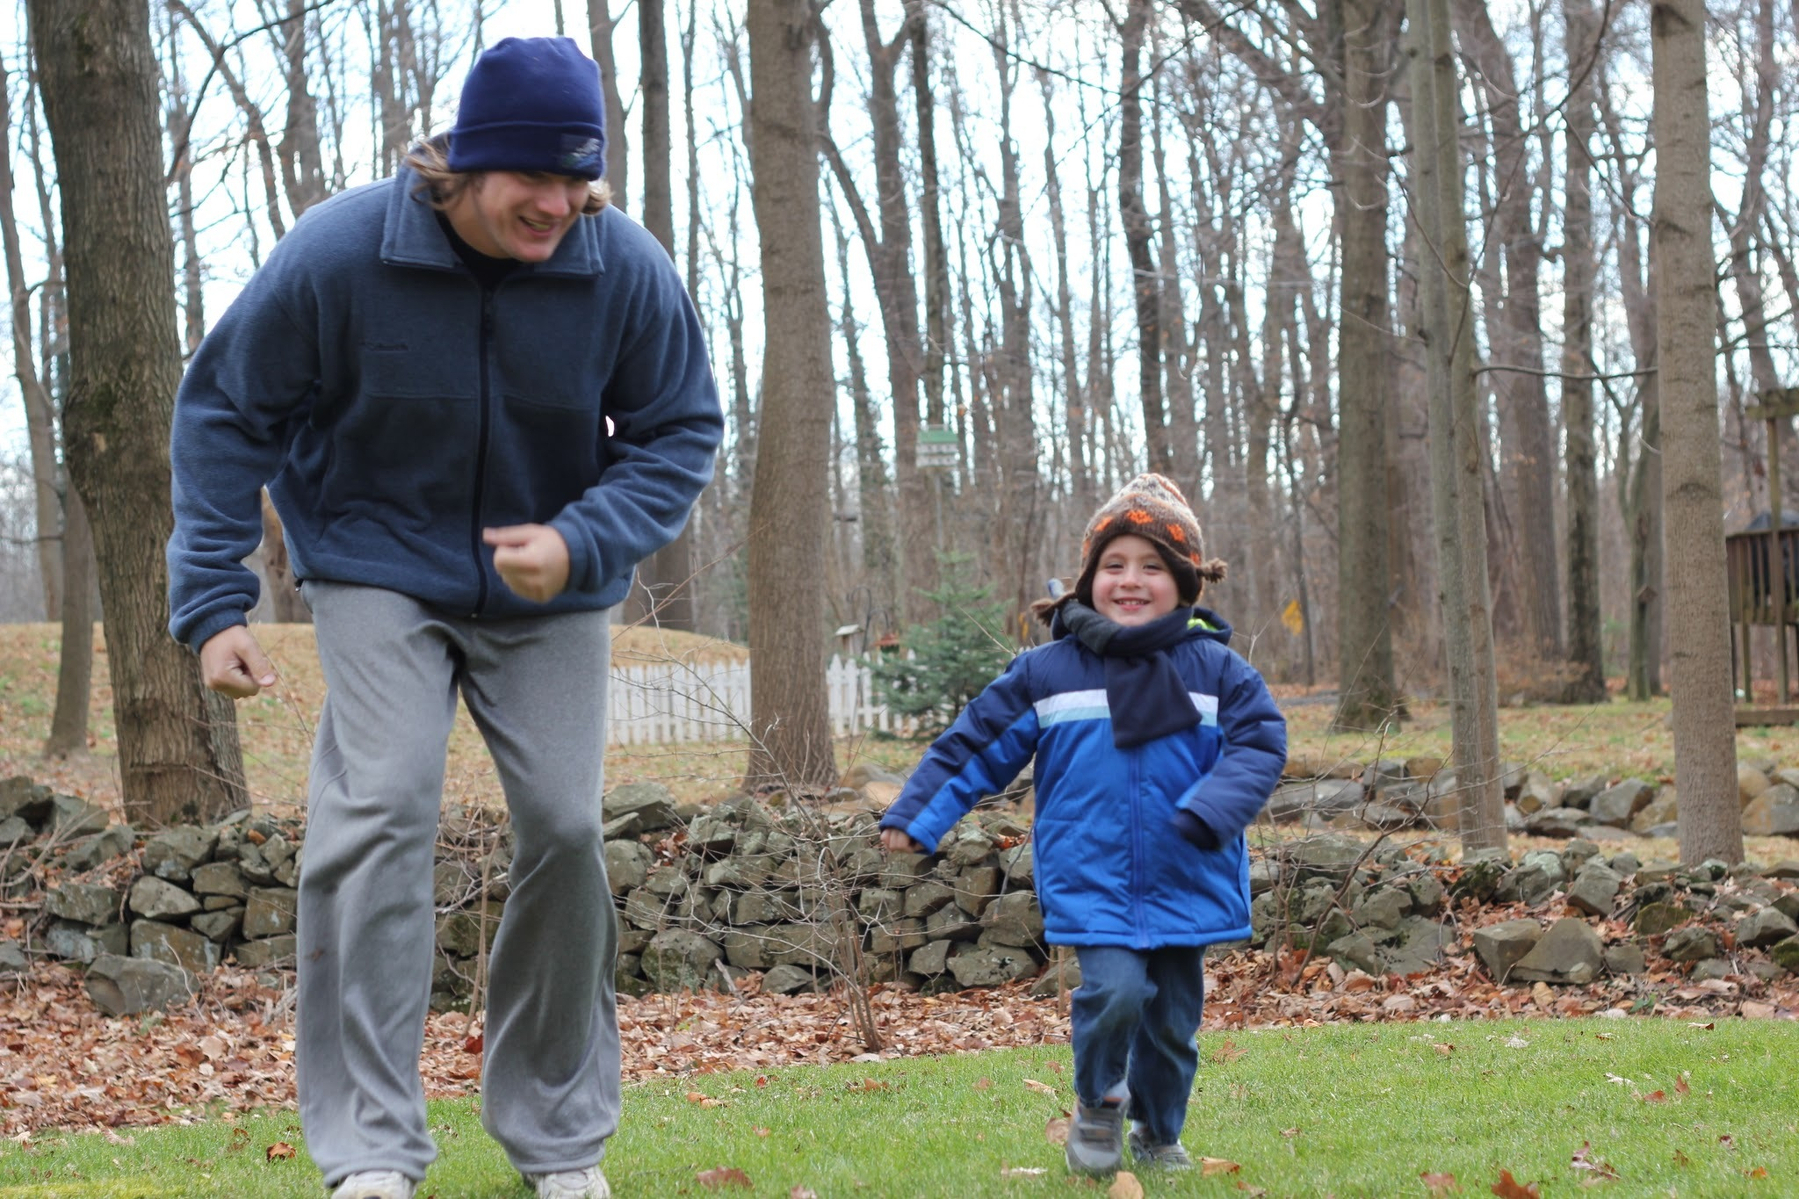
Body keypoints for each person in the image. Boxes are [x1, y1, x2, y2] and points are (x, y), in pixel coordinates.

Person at [166, 36, 723, 1199]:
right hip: (376, 564)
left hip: (551, 581)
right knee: (382, 805)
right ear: (465, 165)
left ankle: (556, 1132)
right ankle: (370, 1141)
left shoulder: (620, 265)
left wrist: (582, 538)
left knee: (565, 825)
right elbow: (224, 411)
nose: (557, 205)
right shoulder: (341, 253)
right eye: (534, 179)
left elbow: (679, 429)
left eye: (578, 181)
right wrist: (216, 601)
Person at [878, 474, 1286, 1177]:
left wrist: (1212, 809)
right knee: (1115, 992)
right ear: (1088, 577)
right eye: (1113, 564)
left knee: (1172, 1026)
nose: (1130, 580)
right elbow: (975, 744)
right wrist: (920, 812)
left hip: (1187, 870)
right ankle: (1098, 1103)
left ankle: (1158, 1134)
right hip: (1093, 873)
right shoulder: (1048, 673)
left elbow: (1260, 744)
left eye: (1152, 566)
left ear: (1185, 582)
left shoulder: (1218, 671)